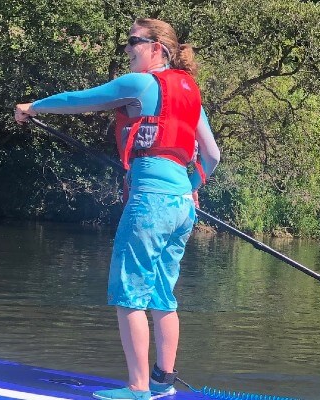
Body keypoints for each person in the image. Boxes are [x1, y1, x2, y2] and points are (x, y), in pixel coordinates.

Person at [14, 18, 220, 400]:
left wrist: (33, 106)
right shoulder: (191, 94)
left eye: (133, 42)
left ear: (158, 47)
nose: (126, 50)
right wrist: (191, 188)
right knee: (162, 294)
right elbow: (212, 155)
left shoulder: (142, 83)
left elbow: (80, 100)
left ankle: (139, 388)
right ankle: (164, 381)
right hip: (181, 207)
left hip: (151, 203)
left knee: (129, 292)